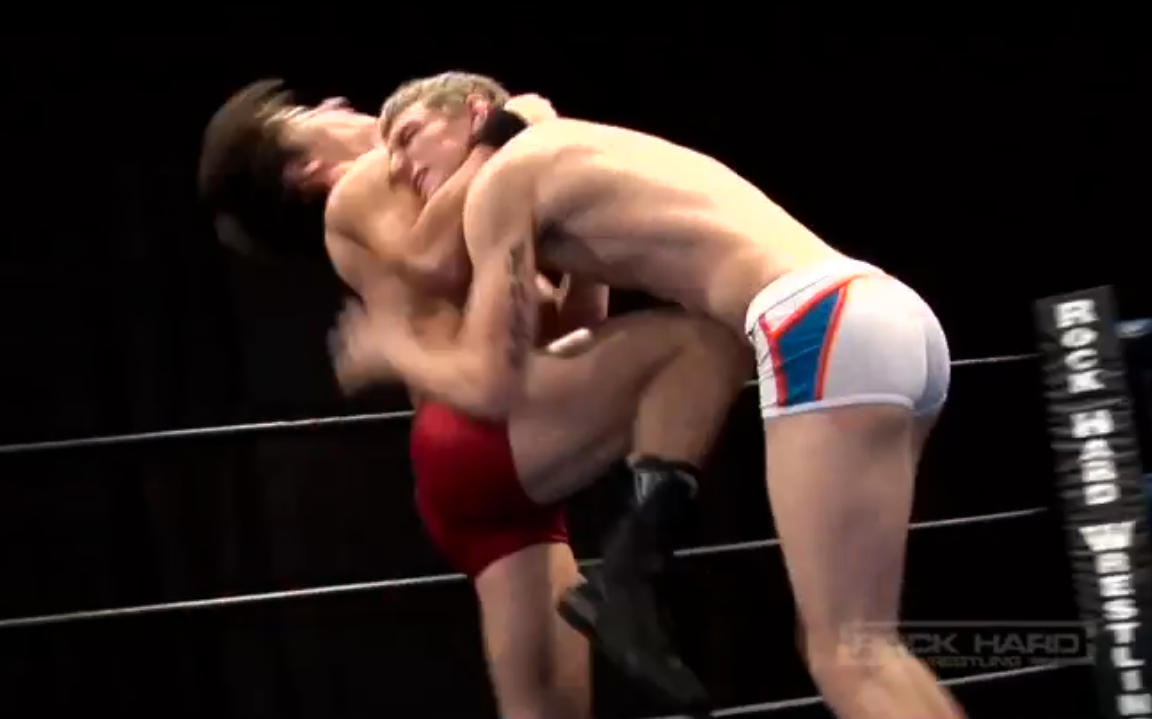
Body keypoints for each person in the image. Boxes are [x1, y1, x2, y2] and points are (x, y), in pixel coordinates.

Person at [367, 71, 964, 719]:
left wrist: (394, 349)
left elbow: (493, 378)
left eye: (408, 136)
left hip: (815, 324)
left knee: (849, 657)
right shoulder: (572, 149)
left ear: (476, 111)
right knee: (869, 647)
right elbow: (583, 326)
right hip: (887, 312)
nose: (397, 166)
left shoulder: (500, 182)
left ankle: (630, 571)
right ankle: (629, 570)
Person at [197, 79, 751, 718]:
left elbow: (569, 324)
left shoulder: (432, 196)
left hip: (477, 457)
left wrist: (566, 237)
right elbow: (436, 260)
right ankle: (635, 564)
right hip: (479, 432)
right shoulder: (361, 185)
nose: (335, 105)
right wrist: (504, 133)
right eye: (304, 114)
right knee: (704, 343)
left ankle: (633, 567)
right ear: (304, 170)